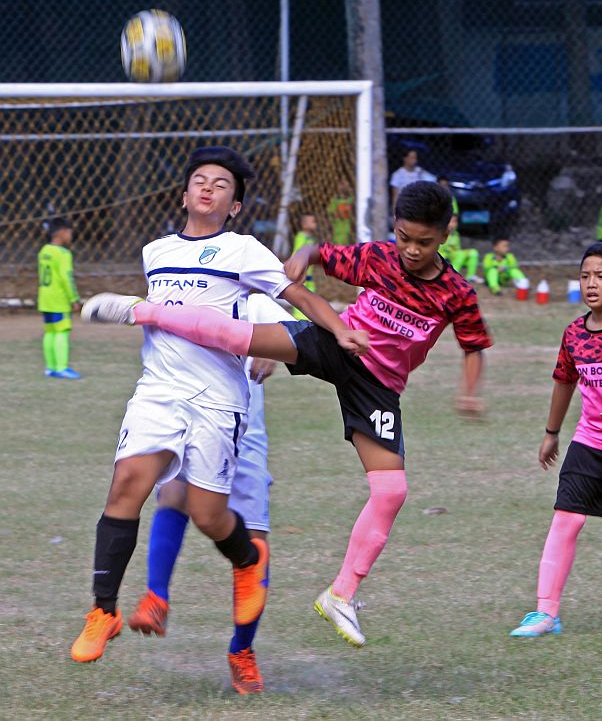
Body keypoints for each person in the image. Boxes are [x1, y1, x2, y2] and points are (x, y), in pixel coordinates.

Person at [81, 181, 493, 648]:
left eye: (424, 241)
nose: (412, 250)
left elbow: (474, 344)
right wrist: (302, 256)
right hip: (337, 343)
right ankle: (144, 311)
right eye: (403, 237)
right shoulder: (379, 257)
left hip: (378, 388)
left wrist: (470, 393)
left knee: (392, 490)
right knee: (236, 335)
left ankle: (340, 595)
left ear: (447, 234)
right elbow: (320, 252)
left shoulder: (457, 292)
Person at [70, 145, 367, 666]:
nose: (208, 188)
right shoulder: (155, 251)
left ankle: (247, 562)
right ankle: (104, 611)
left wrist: (339, 328)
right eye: (199, 181)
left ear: (233, 206)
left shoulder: (243, 250)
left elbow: (298, 297)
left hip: (218, 401)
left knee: (208, 515)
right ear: (184, 194)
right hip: (158, 390)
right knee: (126, 485)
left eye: (221, 185)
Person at [128, 294, 293, 694]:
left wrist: (275, 350)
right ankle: (156, 598)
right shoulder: (185, 287)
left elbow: (294, 328)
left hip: (244, 433)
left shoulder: (254, 294)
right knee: (173, 494)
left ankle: (242, 651)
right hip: (193, 420)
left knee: (254, 542)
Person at [510, 242, 602, 638]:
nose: (591, 284)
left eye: (601, 276)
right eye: (585, 276)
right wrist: (552, 433)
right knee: (566, 518)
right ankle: (545, 613)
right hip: (591, 443)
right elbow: (565, 381)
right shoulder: (574, 334)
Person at [37, 217, 82, 379]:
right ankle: (62, 368)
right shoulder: (63, 253)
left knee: (49, 332)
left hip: (45, 298)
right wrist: (74, 298)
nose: (71, 235)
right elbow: (66, 277)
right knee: (62, 331)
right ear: (62, 232)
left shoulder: (44, 251)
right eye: (70, 232)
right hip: (59, 299)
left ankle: (50, 367)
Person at [389, 148, 436, 214]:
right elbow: (395, 196)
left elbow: (433, 180)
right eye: (412, 157)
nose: (414, 160)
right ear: (405, 158)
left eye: (415, 157)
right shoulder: (397, 175)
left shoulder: (419, 171)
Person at [290, 213, 319, 319]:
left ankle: (308, 317)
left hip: (308, 276)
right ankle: (300, 318)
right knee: (302, 296)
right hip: (302, 275)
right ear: (304, 224)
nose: (315, 224)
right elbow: (296, 253)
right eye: (313, 222)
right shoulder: (301, 237)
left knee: (311, 296)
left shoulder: (310, 238)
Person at [439, 213, 481, 284]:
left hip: (454, 256)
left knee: (473, 252)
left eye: (455, 221)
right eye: (451, 221)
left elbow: (457, 249)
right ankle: (452, 277)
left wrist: (463, 252)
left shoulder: (456, 234)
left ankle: (470, 276)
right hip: (443, 258)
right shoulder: (440, 233)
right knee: (460, 254)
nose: (454, 224)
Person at [327, 179, 354, 245]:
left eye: (345, 184)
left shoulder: (351, 199)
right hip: (338, 232)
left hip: (348, 231)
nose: (343, 186)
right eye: (341, 184)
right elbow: (331, 212)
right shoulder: (335, 200)